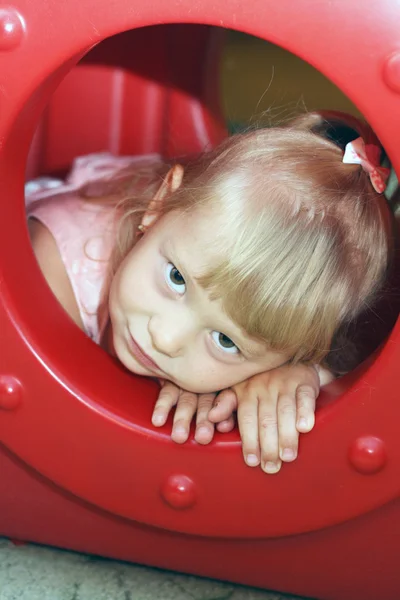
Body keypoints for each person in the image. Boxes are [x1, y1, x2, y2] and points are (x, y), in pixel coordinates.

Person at [26, 110, 394, 474]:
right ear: (159, 204)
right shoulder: (52, 263)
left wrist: (299, 378)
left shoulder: (273, 343)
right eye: (176, 279)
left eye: (225, 341)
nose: (167, 338)